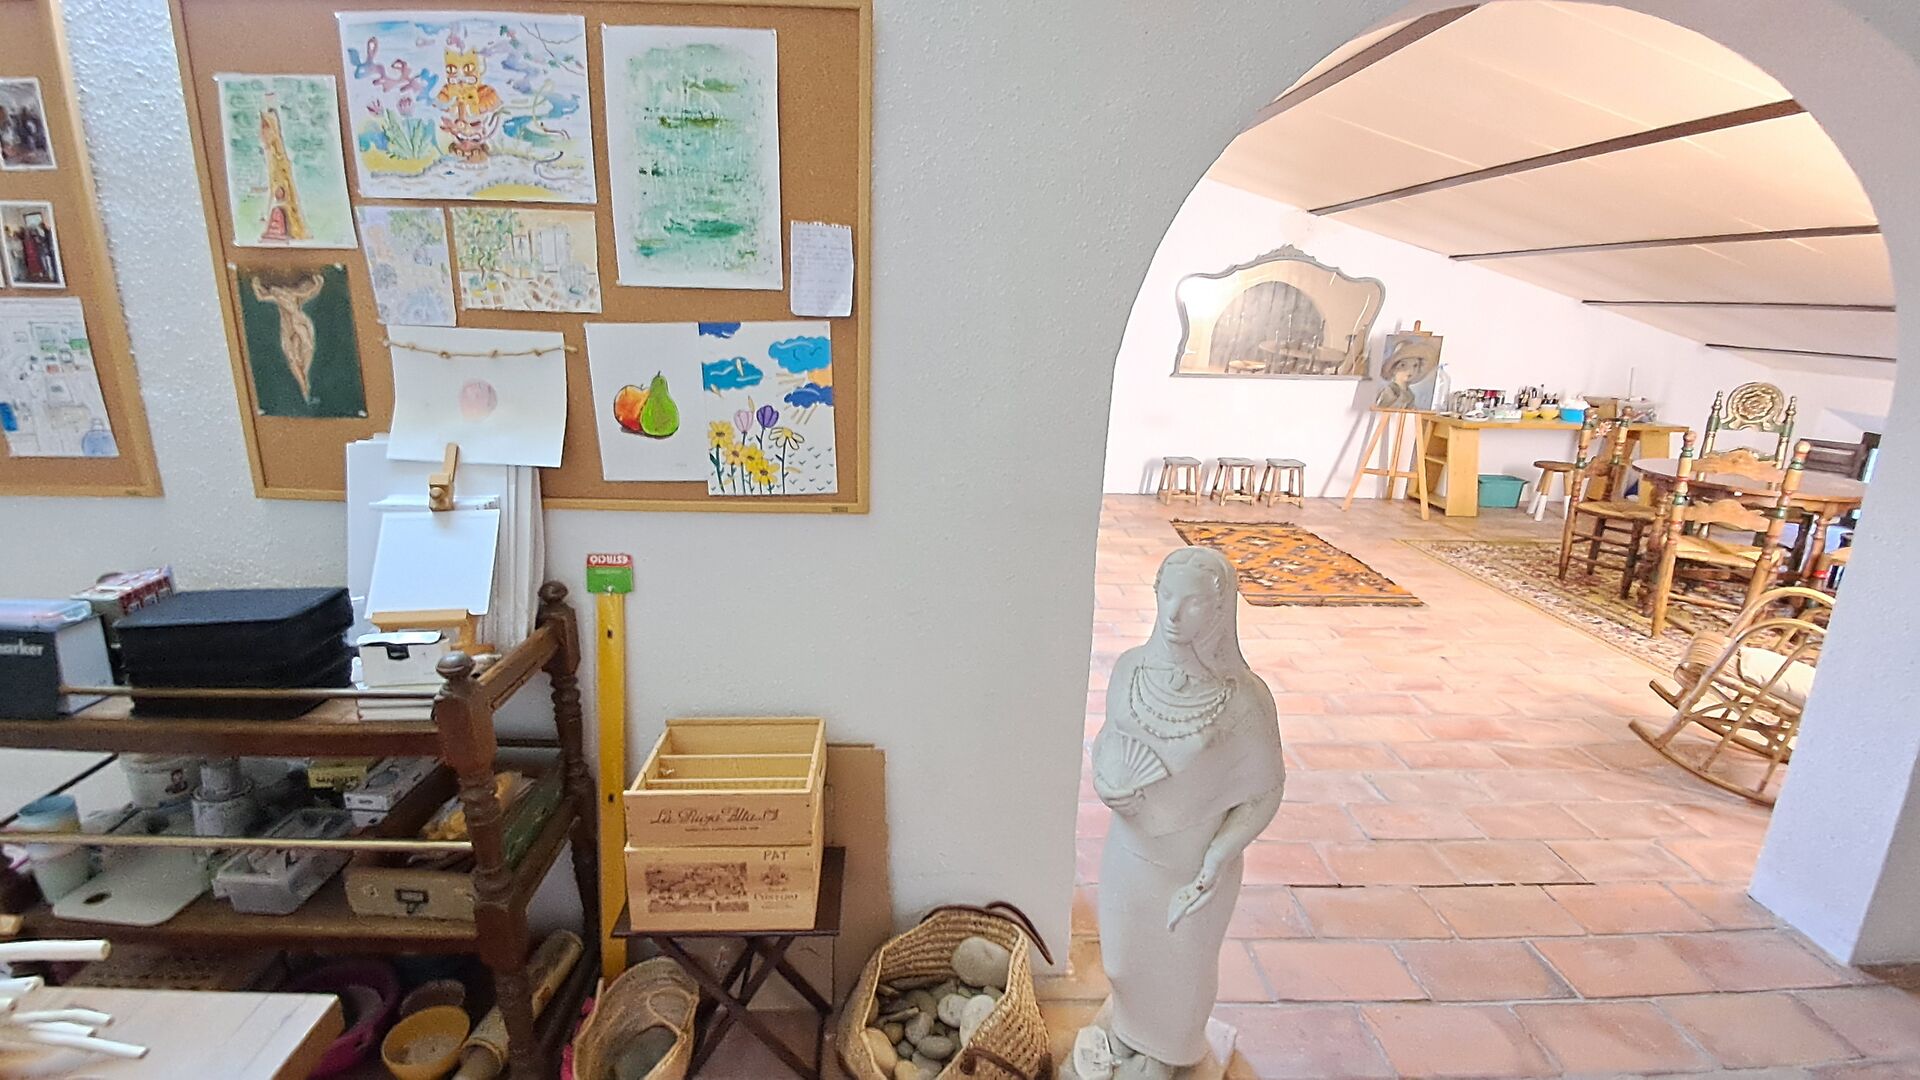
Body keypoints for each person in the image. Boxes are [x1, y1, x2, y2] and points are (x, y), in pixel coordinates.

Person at [1073, 547, 1285, 1079]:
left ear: (1219, 610)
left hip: (1192, 862)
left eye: (1191, 603)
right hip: (1130, 849)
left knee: (1181, 966)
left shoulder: (1244, 700)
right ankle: (1129, 1032)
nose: (1173, 613)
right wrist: (1109, 784)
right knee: (1123, 959)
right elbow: (1110, 742)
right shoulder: (1130, 669)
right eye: (1166, 595)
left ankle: (1170, 1051)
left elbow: (1263, 792)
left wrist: (1219, 856)